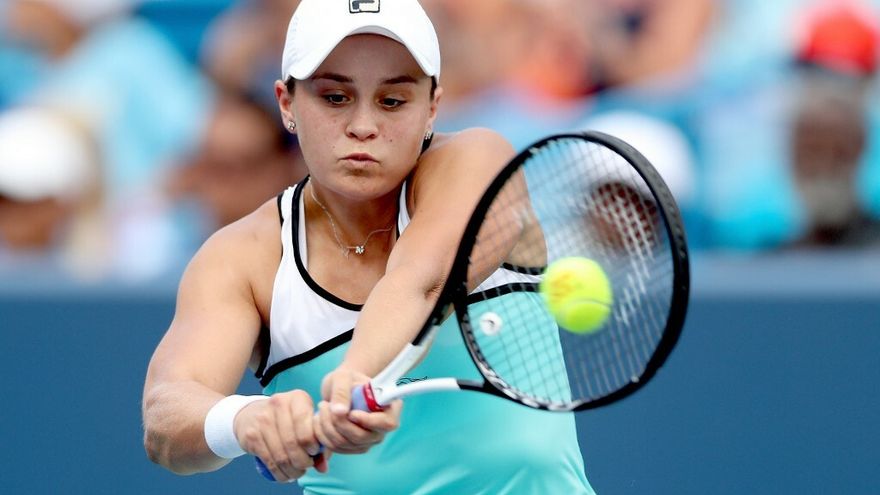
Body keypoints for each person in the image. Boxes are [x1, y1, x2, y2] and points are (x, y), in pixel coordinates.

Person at [142, 1, 595, 493]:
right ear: (287, 104)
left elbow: (423, 281)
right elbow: (166, 415)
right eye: (335, 97)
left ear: (432, 107)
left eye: (392, 101)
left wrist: (356, 375)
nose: (363, 125)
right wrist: (245, 420)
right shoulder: (241, 258)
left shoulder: (479, 162)